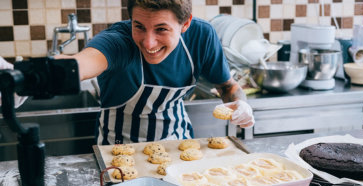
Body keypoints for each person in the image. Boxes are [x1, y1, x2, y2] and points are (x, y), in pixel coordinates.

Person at [5, 0, 255, 144]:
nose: (148, 43)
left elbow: (227, 86)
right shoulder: (118, 41)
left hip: (178, 146)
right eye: (139, 26)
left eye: (161, 29)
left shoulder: (202, 36)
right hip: (117, 151)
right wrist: (21, 77)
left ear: (186, 24)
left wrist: (240, 104)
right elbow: (78, 64)